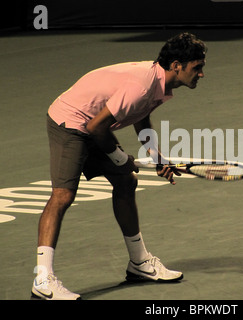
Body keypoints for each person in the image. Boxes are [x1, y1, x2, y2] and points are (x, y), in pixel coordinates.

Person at [31, 32, 207, 300]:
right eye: (197, 67)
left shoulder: (158, 83)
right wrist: (119, 159)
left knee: (127, 181)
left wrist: (156, 156)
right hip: (70, 122)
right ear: (176, 66)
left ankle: (139, 263)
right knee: (63, 195)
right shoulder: (142, 86)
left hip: (92, 123)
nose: (201, 74)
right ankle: (43, 280)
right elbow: (95, 127)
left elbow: (140, 115)